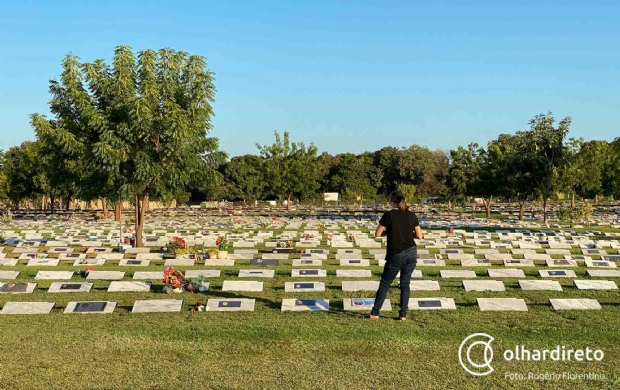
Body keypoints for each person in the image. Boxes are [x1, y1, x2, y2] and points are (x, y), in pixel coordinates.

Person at [369, 190, 423, 321]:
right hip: (411, 252)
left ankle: (375, 313)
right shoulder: (411, 215)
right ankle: (403, 314)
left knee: (385, 283)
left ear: (392, 202)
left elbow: (378, 233)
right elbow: (419, 236)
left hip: (396, 253)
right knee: (405, 284)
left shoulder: (389, 215)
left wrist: (390, 232)